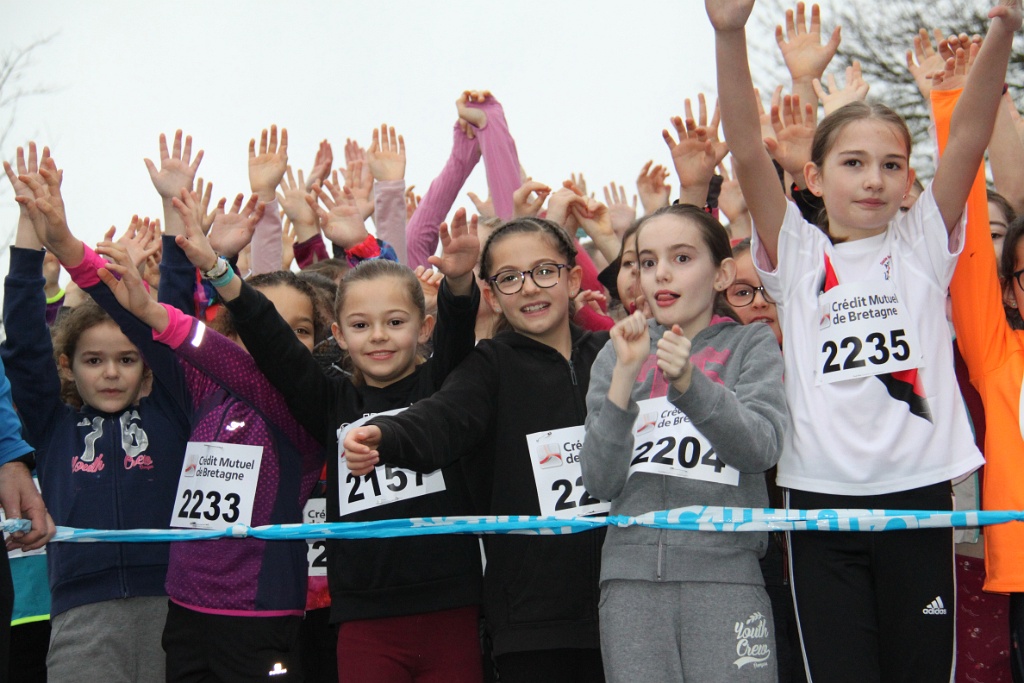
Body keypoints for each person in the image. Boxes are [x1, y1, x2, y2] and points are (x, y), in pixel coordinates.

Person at [707, 0, 1020, 678]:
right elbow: (747, 148)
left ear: (909, 181)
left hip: (919, 496)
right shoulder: (797, 253)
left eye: (892, 165)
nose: (874, 179)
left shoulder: (922, 243)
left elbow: (968, 136)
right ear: (815, 178)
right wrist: (729, 33)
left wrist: (1003, 26)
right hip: (819, 501)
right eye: (853, 163)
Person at [200, 197, 485, 682]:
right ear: (338, 333)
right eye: (360, 325)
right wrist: (219, 270)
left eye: (395, 322)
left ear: (424, 328)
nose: (378, 336)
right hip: (362, 616)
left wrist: (458, 283)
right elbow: (272, 339)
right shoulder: (329, 400)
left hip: (450, 606)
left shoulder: (442, 383)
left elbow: (458, 335)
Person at [344, 217, 608, 683]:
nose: (529, 287)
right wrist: (384, 434)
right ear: (492, 294)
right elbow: (439, 418)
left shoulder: (612, 355)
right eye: (510, 277)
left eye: (544, 271)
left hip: (624, 598)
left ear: (571, 279)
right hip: (531, 619)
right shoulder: (488, 366)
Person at [581, 204, 787, 682]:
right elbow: (599, 481)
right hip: (629, 583)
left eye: (681, 258)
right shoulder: (615, 354)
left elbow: (761, 448)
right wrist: (625, 377)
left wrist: (692, 384)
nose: (661, 274)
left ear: (722, 275)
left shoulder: (752, 344)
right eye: (647, 262)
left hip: (726, 577)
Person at [5, 151, 186, 682]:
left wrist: (172, 210)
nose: (110, 373)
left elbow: (173, 321)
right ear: (68, 366)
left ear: (147, 368)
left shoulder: (171, 412)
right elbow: (24, 345)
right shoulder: (51, 426)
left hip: (173, 610)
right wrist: (29, 227)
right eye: (93, 360)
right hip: (81, 618)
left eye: (127, 359)